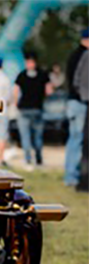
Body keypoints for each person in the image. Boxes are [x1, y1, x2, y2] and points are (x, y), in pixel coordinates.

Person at [14, 53, 53, 170]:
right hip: (37, 108)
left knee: (25, 136)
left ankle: (28, 160)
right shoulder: (43, 75)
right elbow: (49, 91)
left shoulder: (21, 75)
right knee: (37, 136)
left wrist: (15, 103)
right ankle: (39, 159)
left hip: (24, 109)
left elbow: (15, 91)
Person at [64, 29, 89, 187]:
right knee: (79, 140)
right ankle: (73, 176)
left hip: (72, 102)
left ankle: (70, 174)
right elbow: (78, 81)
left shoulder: (74, 55)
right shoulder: (83, 55)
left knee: (73, 139)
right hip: (80, 102)